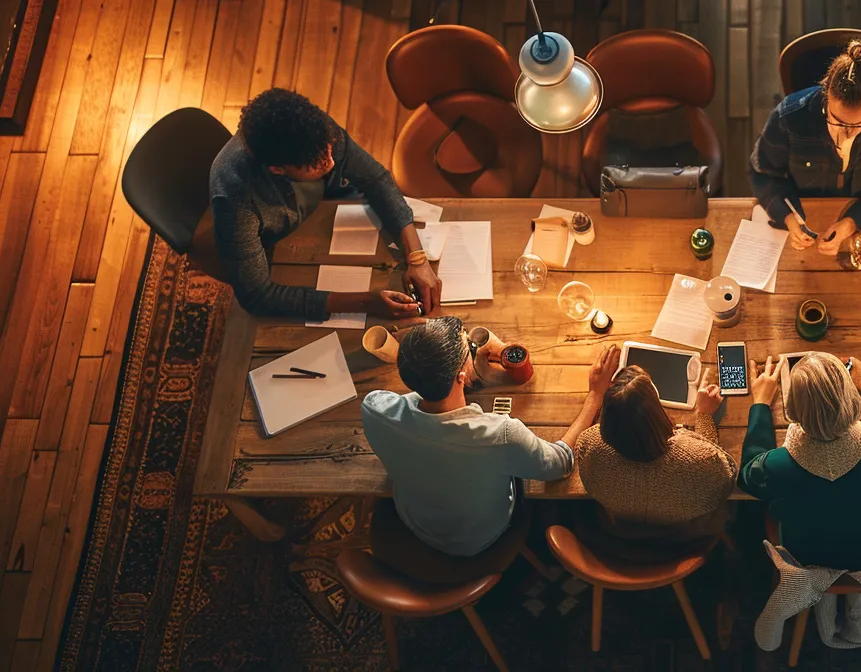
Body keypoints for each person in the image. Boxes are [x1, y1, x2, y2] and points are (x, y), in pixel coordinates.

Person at [360, 318, 616, 556]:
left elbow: (414, 405)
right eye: (469, 350)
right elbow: (559, 464)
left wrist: (441, 381)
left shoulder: (374, 407)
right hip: (475, 540)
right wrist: (594, 397)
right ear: (462, 376)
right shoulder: (499, 435)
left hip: (414, 521)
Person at [198, 87, 440, 320]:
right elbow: (257, 297)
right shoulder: (235, 200)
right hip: (276, 248)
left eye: (330, 151)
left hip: (322, 210)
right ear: (278, 169)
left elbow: (375, 179)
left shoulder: (315, 132)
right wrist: (367, 303)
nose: (332, 163)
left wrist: (417, 259)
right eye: (317, 165)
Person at [740, 353, 861, 570]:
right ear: (852, 400)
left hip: (807, 561)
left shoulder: (776, 466)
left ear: (793, 411)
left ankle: (822, 596)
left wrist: (760, 403)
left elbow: (747, 475)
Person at [750, 40, 861, 256]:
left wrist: (856, 220)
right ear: (826, 94)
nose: (848, 133)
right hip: (807, 210)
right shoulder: (789, 117)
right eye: (838, 121)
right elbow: (763, 173)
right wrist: (786, 216)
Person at [572, 365, 735, 560]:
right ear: (655, 412)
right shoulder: (698, 458)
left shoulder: (589, 444)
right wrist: (704, 414)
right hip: (686, 537)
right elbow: (725, 480)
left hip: (621, 533)